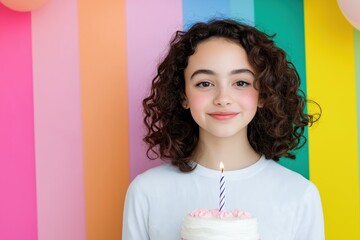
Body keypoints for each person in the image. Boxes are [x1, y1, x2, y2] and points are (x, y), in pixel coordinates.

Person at [122, 19, 324, 240]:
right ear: (183, 96)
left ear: (264, 94)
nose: (223, 98)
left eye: (241, 83)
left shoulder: (299, 195)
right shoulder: (147, 192)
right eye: (205, 83)